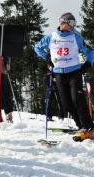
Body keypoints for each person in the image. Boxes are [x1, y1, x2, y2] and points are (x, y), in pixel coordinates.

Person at [35, 12, 94, 140]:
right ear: (63, 22)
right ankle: (81, 128)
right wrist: (47, 58)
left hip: (74, 73)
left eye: (74, 24)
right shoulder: (51, 37)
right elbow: (37, 47)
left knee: (77, 100)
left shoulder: (76, 36)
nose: (72, 26)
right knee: (67, 104)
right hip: (59, 74)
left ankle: (90, 128)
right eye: (71, 23)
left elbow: (90, 51)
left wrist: (87, 64)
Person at [0, 57, 14, 122]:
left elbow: (7, 49)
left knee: (5, 92)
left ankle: (8, 113)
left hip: (2, 69)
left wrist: (8, 62)